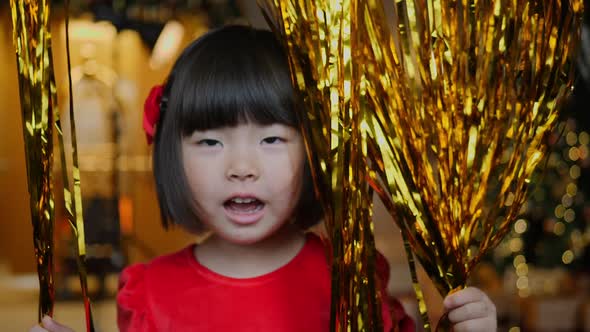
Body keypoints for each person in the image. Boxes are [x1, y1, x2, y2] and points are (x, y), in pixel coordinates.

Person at [31, 25, 496, 332]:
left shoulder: (350, 275)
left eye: (271, 140)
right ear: (171, 154)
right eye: (211, 142)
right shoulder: (149, 293)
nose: (241, 167)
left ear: (314, 150)